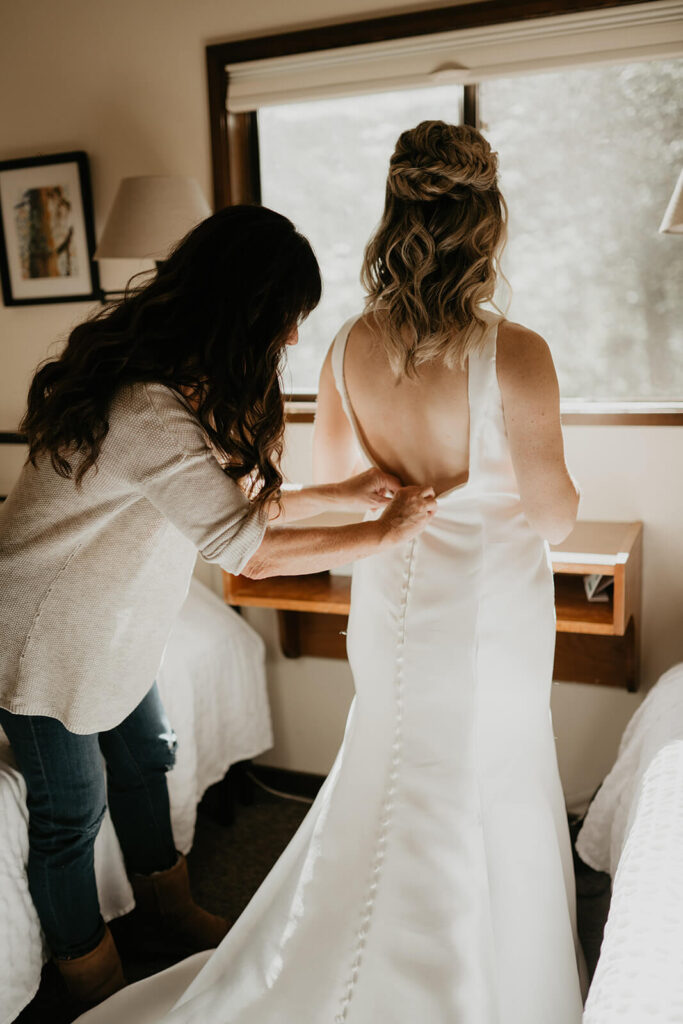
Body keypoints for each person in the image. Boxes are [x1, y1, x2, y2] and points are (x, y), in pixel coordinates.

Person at [73, 122, 586, 1024]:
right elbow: (552, 516)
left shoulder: (351, 342)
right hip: (490, 618)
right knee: (485, 779)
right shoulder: (519, 354)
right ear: (488, 222)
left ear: (397, 217)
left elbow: (353, 491)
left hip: (390, 600)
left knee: (389, 768)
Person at [0, 204, 436, 1013]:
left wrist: (341, 495)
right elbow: (249, 552)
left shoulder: (179, 387)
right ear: (245, 307)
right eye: (289, 319)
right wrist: (376, 534)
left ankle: (165, 917)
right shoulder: (145, 409)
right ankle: (91, 985)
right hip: (39, 634)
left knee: (147, 762)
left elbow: (225, 508)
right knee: (70, 817)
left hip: (116, 625)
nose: (295, 340)